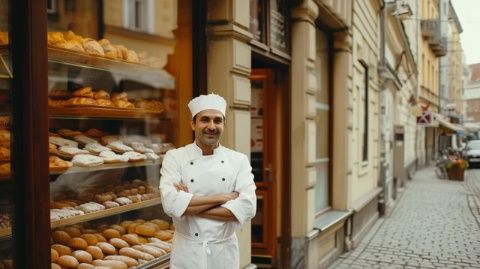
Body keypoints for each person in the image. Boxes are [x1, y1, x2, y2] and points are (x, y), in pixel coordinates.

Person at [159, 93, 257, 268]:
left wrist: (187, 205)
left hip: (223, 254)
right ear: (193, 124)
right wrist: (224, 198)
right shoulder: (175, 157)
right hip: (187, 254)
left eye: (217, 121)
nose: (211, 126)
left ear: (224, 125)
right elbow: (170, 205)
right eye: (205, 120)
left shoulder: (238, 160)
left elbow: (248, 207)